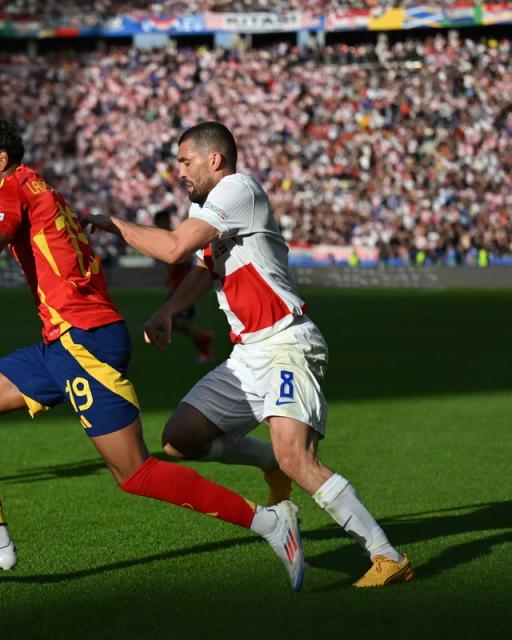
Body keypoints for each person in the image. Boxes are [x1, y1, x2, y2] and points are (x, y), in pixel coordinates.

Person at [0, 118, 307, 590]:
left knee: (135, 473)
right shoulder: (42, 188)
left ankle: (269, 523)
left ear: (0, 161)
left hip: (84, 342)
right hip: (63, 342)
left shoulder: (11, 190)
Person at [85, 121, 413, 588]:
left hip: (285, 343)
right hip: (247, 354)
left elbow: (175, 247)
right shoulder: (211, 206)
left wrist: (114, 223)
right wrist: (168, 310)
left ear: (214, 159)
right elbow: (203, 269)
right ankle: (270, 461)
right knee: (181, 439)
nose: (178, 172)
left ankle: (385, 556)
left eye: (184, 161)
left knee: (298, 456)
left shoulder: (238, 188)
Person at [152, 208, 213, 363]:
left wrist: (175, 263)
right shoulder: (163, 238)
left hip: (183, 288)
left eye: (161, 222)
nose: (159, 225)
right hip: (175, 287)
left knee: (176, 322)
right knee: (174, 322)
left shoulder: (174, 237)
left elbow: (185, 258)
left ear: (165, 221)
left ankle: (204, 345)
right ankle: (203, 342)